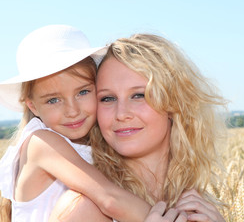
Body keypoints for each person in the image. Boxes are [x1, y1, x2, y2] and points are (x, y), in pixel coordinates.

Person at [50, 33, 227, 221]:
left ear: (174, 102)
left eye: (138, 95)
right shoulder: (82, 208)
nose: (121, 113)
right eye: (107, 98)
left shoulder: (199, 206)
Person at [0, 25, 152, 222]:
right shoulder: (41, 143)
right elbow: (110, 200)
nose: (73, 111)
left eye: (82, 92)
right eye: (53, 100)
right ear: (33, 107)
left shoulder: (98, 144)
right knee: (84, 203)